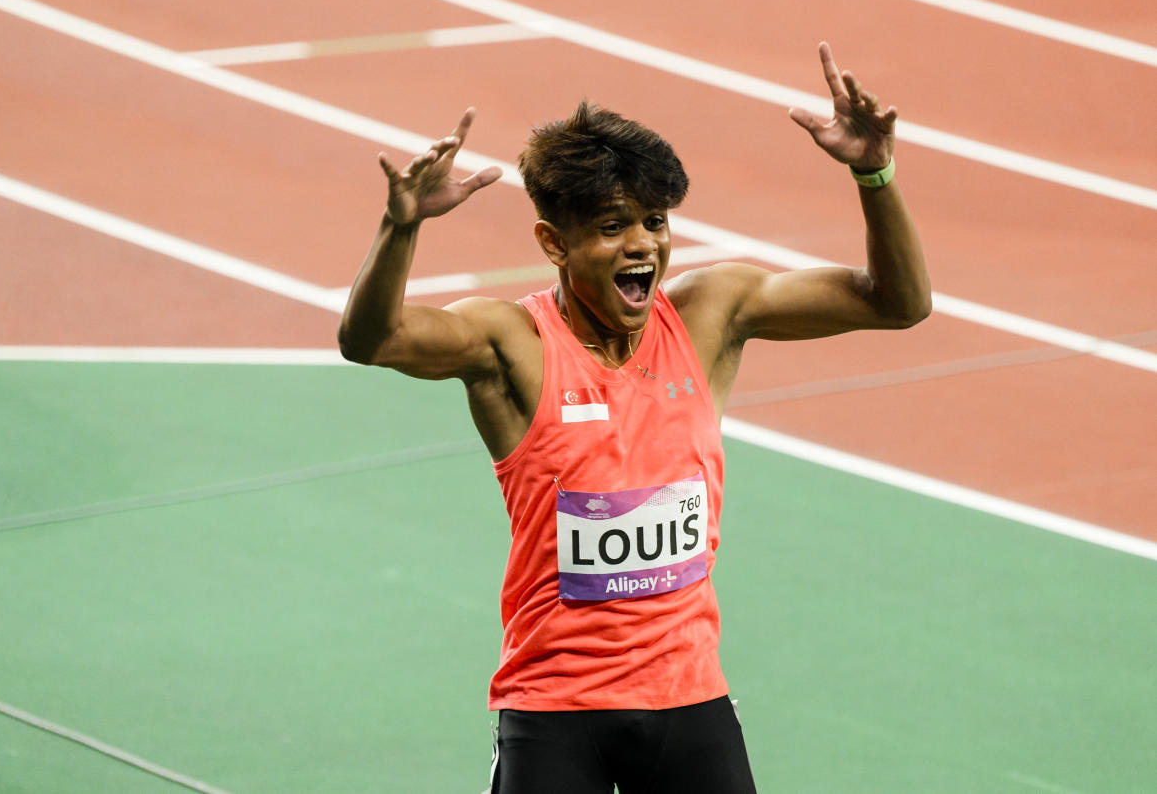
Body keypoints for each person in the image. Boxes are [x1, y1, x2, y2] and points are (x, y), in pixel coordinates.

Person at [337, 42, 931, 794]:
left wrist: (872, 173)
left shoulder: (711, 315)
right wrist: (402, 228)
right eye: (614, 226)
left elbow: (898, 303)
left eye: (655, 221)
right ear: (555, 243)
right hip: (556, 710)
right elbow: (372, 340)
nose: (644, 244)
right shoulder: (511, 345)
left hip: (688, 700)